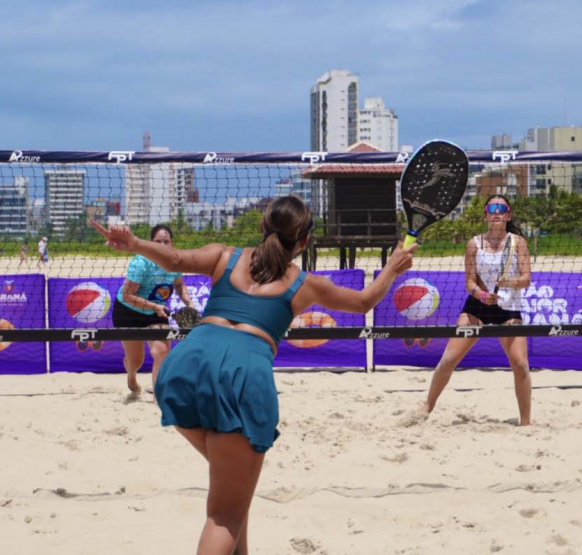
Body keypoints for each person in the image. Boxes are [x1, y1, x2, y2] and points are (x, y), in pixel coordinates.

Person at [91, 196, 415, 554]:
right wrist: (393, 267)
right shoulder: (306, 283)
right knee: (224, 516)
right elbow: (364, 301)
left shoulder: (224, 255)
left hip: (185, 367)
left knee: (234, 497)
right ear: (304, 242)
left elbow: (174, 258)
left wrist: (134, 243)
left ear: (262, 228)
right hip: (241, 375)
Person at [420, 194, 533, 425]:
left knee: (520, 364)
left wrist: (507, 283)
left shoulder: (518, 242)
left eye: (501, 208)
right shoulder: (474, 244)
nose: (496, 212)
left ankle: (525, 422)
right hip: (478, 305)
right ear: (485, 216)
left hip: (508, 305)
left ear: (508, 215)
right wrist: (482, 295)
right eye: (492, 208)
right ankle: (426, 406)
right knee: (450, 358)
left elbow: (526, 279)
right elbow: (470, 282)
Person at [112, 224, 194, 399]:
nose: (163, 246)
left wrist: (188, 302)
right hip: (129, 311)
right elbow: (127, 296)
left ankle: (160, 395)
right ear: (151, 243)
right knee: (136, 361)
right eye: (158, 242)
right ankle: (131, 375)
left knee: (161, 352)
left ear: (172, 243)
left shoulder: (175, 260)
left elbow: (179, 285)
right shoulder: (141, 263)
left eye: (166, 241)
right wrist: (154, 306)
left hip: (157, 312)